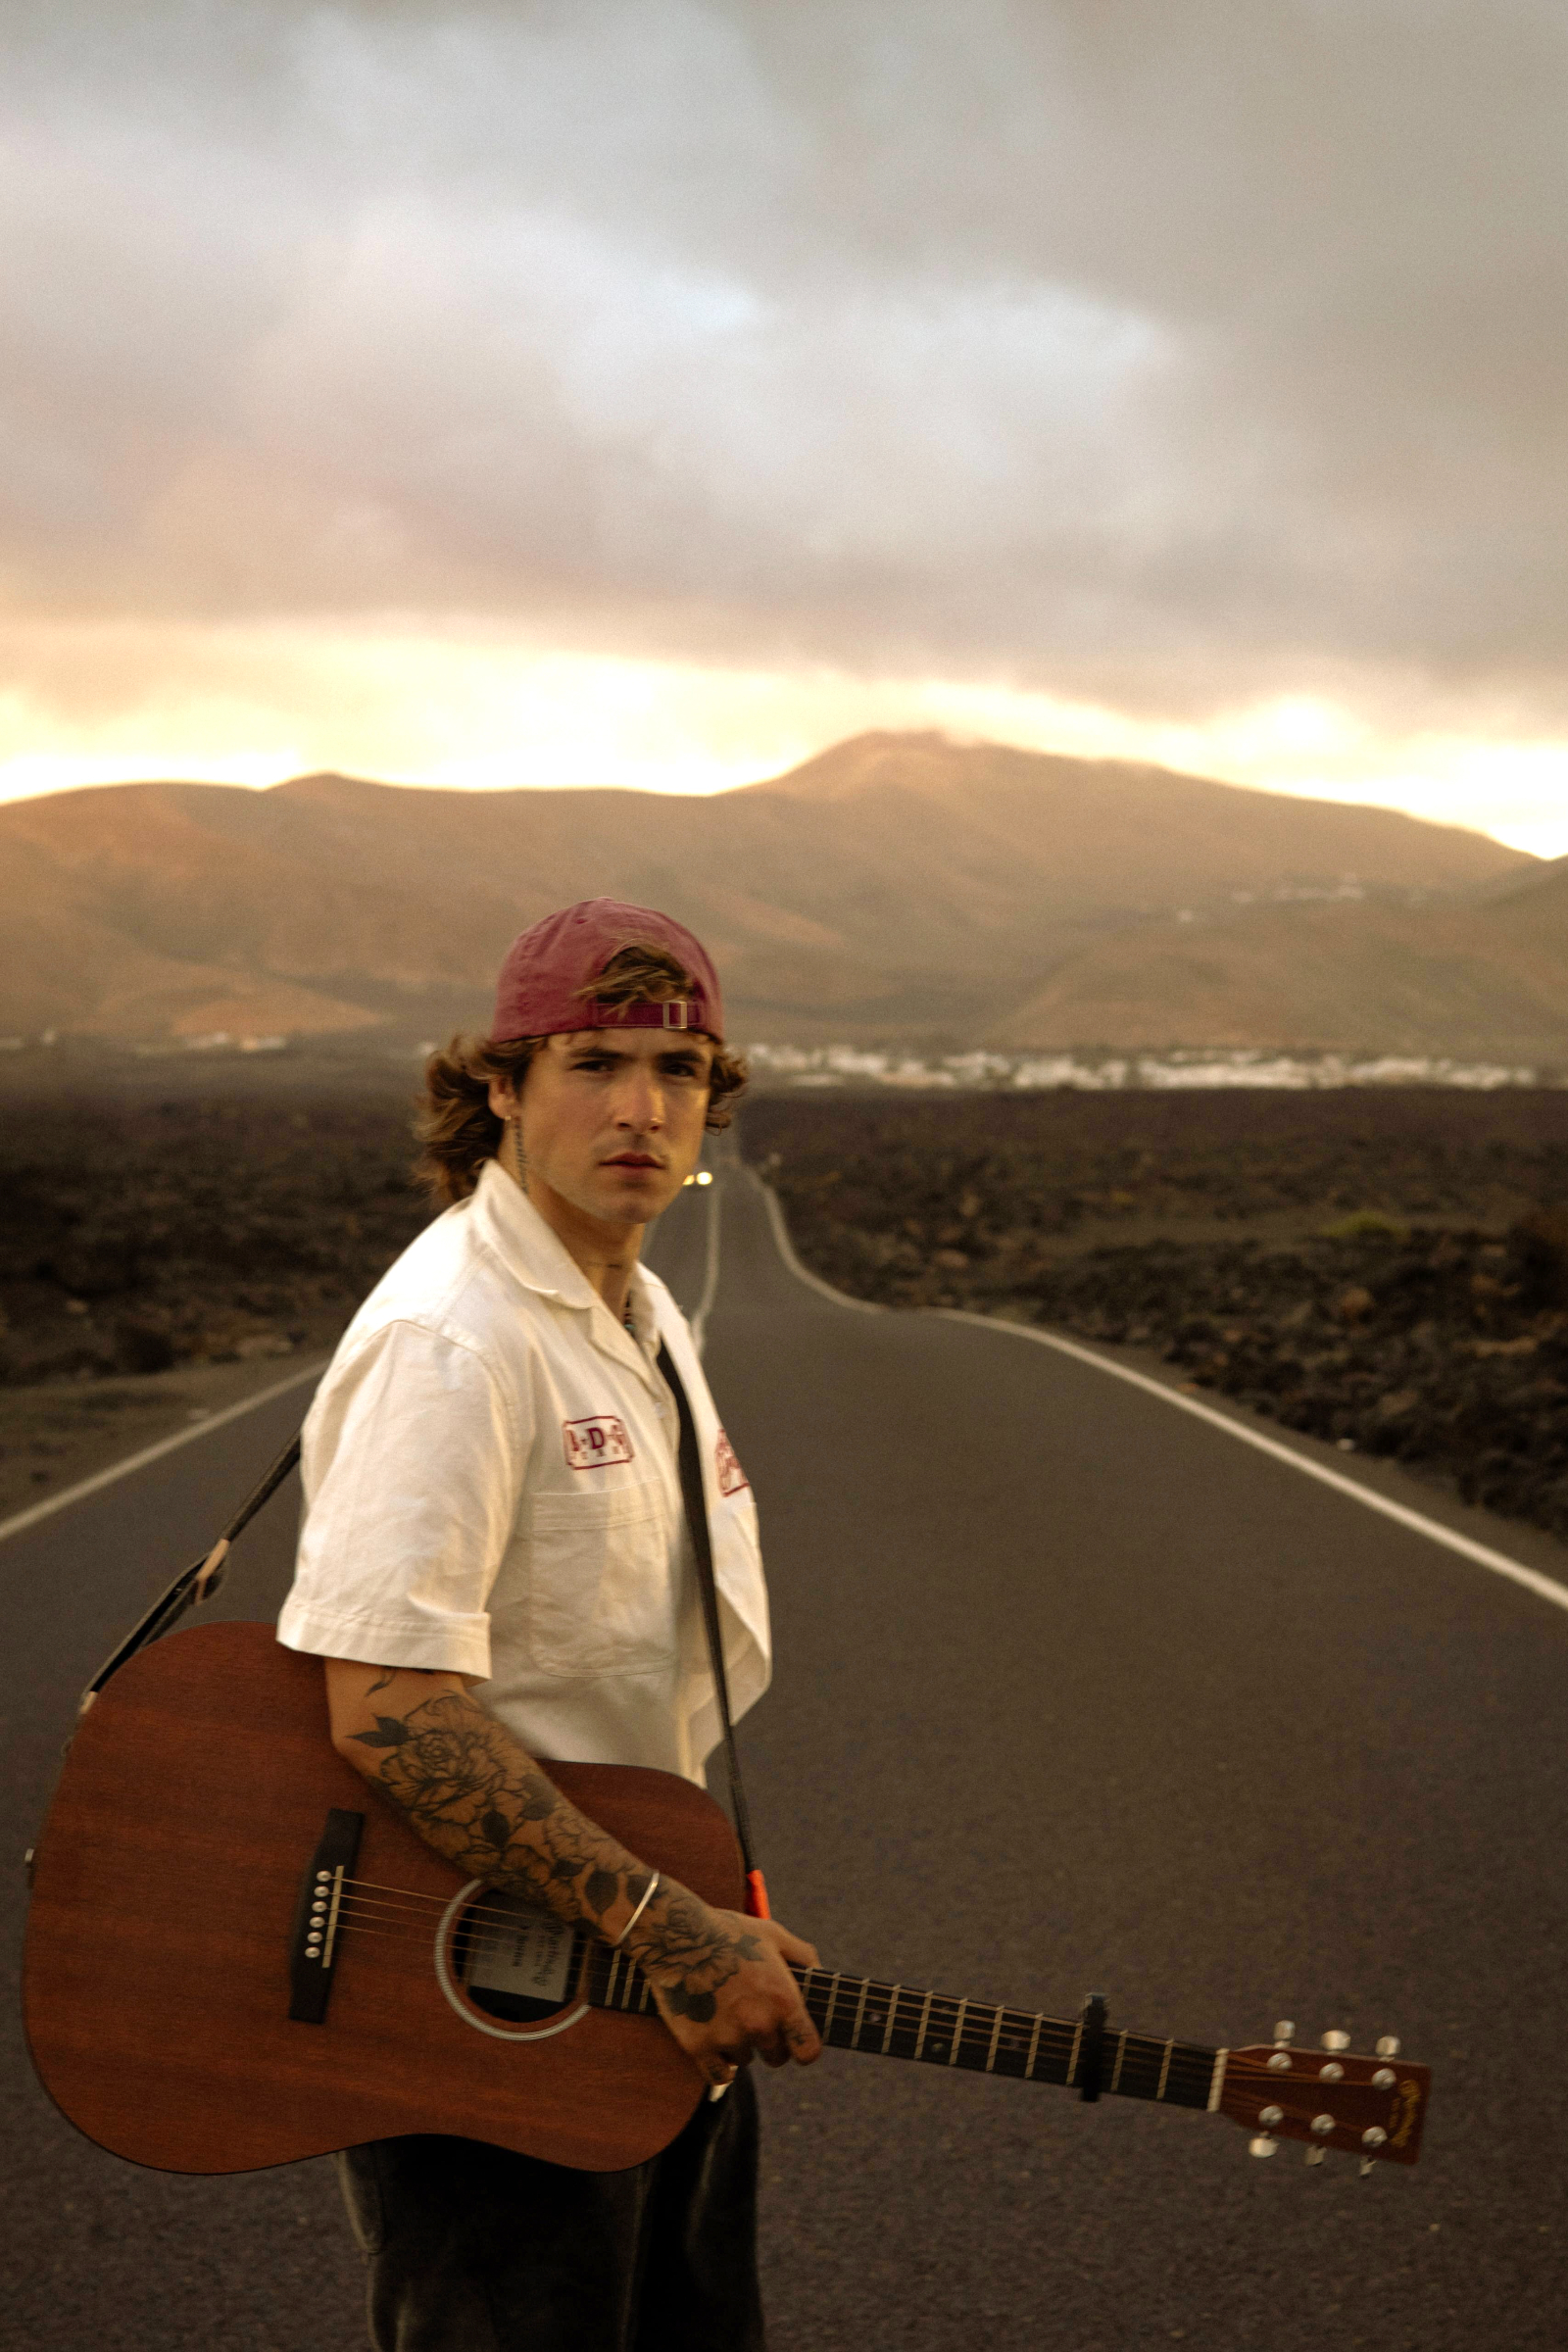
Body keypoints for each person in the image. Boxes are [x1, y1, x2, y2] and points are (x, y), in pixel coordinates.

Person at [276, 898, 821, 2352]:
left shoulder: (640, 1314)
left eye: (678, 1069)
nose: (642, 1109)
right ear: (503, 1091)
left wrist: (695, 1930)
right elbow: (389, 1711)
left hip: (645, 1983)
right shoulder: (456, 1340)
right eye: (594, 1064)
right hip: (479, 2015)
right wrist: (670, 1929)